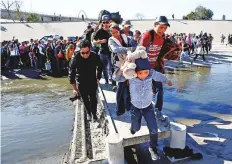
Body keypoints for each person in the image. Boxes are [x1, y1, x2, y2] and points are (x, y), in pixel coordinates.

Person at [128, 57, 172, 160]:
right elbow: (117, 77)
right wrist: (123, 68)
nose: (143, 75)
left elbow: (159, 76)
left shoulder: (151, 74)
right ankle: (133, 127)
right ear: (135, 72)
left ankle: (153, 147)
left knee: (153, 129)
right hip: (135, 107)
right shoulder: (131, 76)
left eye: (145, 72)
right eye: (140, 73)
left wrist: (167, 80)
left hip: (148, 107)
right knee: (136, 128)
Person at [139, 16, 180, 120]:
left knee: (159, 89)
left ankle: (158, 111)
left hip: (156, 67)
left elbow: (164, 52)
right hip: (145, 67)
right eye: (161, 27)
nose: (163, 30)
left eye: (165, 28)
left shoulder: (163, 37)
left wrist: (174, 51)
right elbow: (140, 51)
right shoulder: (148, 35)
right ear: (155, 25)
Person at [68, 39, 103, 121]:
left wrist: (98, 77)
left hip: (92, 80)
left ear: (90, 49)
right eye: (83, 53)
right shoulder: (76, 58)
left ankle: (94, 114)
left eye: (87, 52)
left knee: (93, 98)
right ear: (79, 51)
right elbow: (71, 73)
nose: (85, 55)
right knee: (85, 99)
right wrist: (74, 88)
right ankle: (89, 113)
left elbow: (100, 66)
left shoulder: (94, 56)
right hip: (81, 82)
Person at [108, 24, 134, 116]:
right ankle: (119, 109)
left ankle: (128, 106)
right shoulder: (111, 40)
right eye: (113, 32)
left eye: (116, 32)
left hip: (129, 63)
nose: (115, 34)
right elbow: (116, 49)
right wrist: (130, 49)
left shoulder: (125, 37)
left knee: (129, 85)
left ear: (119, 31)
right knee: (121, 86)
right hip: (119, 65)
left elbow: (133, 43)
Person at [93, 15, 112, 84]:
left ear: (109, 22)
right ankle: (104, 81)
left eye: (107, 22)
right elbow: (93, 42)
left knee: (111, 68)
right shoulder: (99, 31)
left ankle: (112, 83)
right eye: (104, 22)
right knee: (102, 67)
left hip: (111, 52)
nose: (106, 24)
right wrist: (100, 41)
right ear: (102, 23)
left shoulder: (112, 30)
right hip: (103, 52)